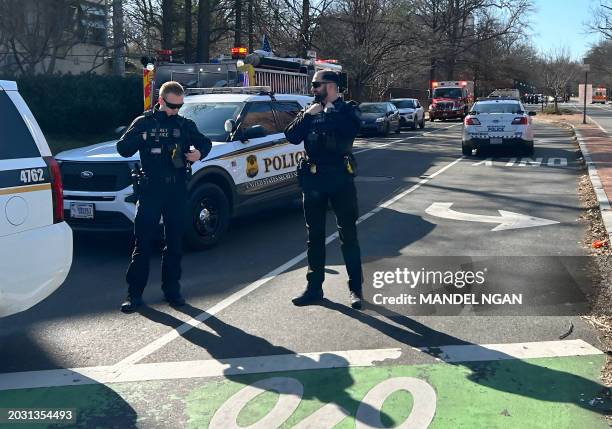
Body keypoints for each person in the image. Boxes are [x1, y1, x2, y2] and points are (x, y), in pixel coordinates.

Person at [116, 81, 212, 313]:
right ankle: (134, 294)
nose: (175, 111)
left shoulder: (185, 124)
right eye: (171, 105)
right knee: (143, 243)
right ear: (160, 101)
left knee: (175, 242)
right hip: (151, 190)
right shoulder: (144, 122)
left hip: (176, 190)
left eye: (179, 106)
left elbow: (205, 143)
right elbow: (123, 148)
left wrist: (198, 153)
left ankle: (172, 290)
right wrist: (143, 136)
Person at [284, 70, 364, 309]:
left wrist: (331, 110)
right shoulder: (310, 110)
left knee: (347, 234)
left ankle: (355, 289)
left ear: (330, 86)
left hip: (340, 178)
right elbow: (291, 136)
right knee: (314, 236)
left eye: (316, 85)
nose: (313, 89)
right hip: (314, 180)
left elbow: (351, 131)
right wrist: (308, 116)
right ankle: (314, 287)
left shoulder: (348, 109)